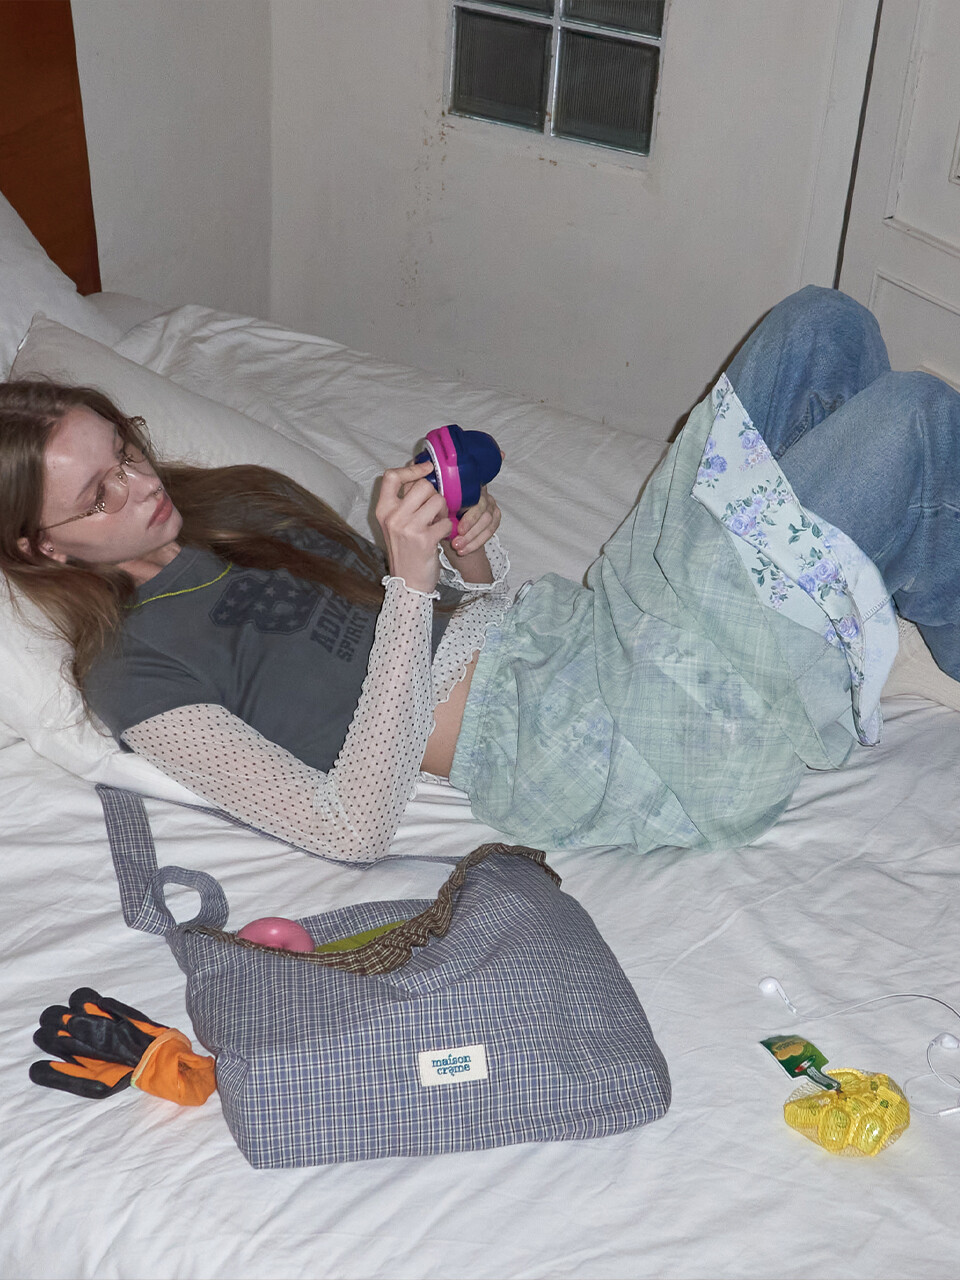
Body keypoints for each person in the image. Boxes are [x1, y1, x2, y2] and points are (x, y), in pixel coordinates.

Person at [2, 287, 959, 860]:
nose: (140, 484)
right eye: (97, 494)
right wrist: (412, 584)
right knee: (912, 418)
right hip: (604, 742)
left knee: (823, 327)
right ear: (40, 548)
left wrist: (464, 555)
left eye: (125, 448)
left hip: (588, 629)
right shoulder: (133, 670)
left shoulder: (234, 503)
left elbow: (441, 622)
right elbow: (348, 828)